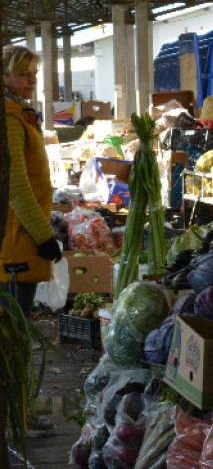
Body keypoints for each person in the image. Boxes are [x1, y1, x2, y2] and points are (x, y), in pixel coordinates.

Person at [1, 45, 60, 439]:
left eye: (34, 73)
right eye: (23, 74)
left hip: (20, 239)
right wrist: (45, 238)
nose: (31, 80)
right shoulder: (8, 119)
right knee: (13, 338)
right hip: (16, 243)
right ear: (3, 77)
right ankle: (15, 420)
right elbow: (17, 188)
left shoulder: (20, 115)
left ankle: (17, 415)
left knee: (14, 337)